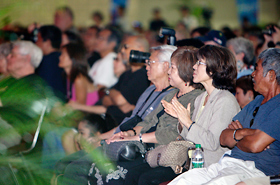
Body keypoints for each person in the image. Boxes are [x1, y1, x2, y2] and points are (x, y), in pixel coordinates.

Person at [60, 45, 177, 185]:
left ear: (165, 66)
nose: (146, 66)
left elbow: (149, 129)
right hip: (125, 138)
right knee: (64, 164)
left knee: (75, 169)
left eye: (150, 62)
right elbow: (130, 121)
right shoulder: (150, 90)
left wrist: (107, 140)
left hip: (137, 147)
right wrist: (102, 137)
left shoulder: (172, 95)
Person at [127, 45, 240, 185]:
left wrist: (187, 122)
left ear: (213, 69)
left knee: (147, 179)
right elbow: (189, 137)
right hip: (194, 165)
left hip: (212, 168)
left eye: (199, 63)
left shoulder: (225, 100)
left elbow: (212, 142)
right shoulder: (202, 98)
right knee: (133, 174)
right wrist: (181, 120)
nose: (194, 67)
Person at [168, 48, 280, 185]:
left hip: (253, 170)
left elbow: (255, 145)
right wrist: (245, 132)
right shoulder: (256, 102)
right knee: (181, 182)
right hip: (228, 163)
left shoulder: (276, 105)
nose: (252, 74)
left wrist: (237, 135)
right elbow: (224, 138)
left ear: (271, 75)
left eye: (256, 69)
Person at [69, 35, 150, 125]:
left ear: (140, 49)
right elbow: (106, 100)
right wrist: (111, 93)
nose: (123, 51)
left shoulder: (142, 75)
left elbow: (120, 101)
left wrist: (112, 95)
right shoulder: (127, 74)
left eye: (126, 47)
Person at [35, 25, 66, 101]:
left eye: (38, 39)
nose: (36, 43)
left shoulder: (46, 61)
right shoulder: (61, 58)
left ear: (47, 42)